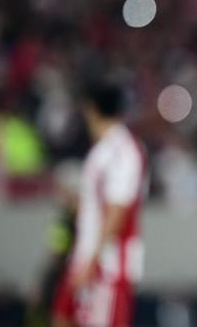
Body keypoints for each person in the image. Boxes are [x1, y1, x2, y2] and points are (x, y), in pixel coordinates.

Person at [52, 80, 148, 327]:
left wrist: (93, 261)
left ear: (91, 109)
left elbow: (118, 210)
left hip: (108, 263)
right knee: (61, 317)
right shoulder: (103, 150)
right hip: (85, 254)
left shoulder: (123, 151)